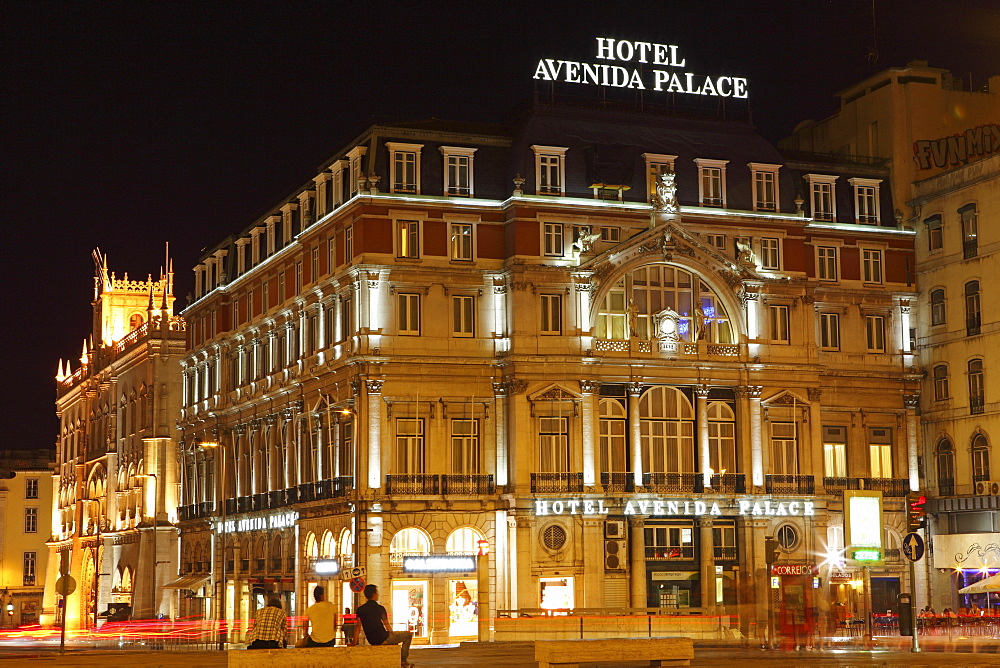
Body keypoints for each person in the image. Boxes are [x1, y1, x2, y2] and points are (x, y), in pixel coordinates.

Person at [355, 584, 413, 668]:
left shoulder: (360, 609)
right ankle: (403, 660)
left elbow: (357, 627)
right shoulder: (380, 608)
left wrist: (354, 642)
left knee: (395, 640)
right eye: (377, 592)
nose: (378, 594)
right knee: (408, 635)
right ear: (374, 594)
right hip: (383, 638)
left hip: (372, 640)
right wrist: (393, 635)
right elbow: (386, 625)